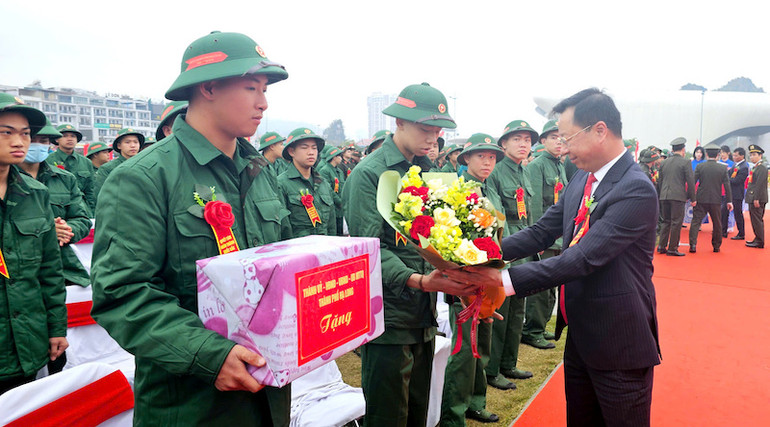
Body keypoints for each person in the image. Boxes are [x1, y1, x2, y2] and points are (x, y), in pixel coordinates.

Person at [90, 31, 293, 424]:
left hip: (268, 394)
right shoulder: (145, 177)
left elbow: (281, 268)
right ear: (209, 87)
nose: (263, 103)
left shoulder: (260, 172)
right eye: (251, 87)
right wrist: (210, 355)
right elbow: (122, 293)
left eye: (265, 89)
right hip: (191, 401)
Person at [448, 88, 661, 426]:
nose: (562, 146)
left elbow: (581, 259)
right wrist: (476, 253)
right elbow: (540, 232)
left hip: (619, 339)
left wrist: (499, 281)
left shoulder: (635, 188)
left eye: (567, 137)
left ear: (600, 130)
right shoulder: (581, 179)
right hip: (581, 334)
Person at [342, 82, 478, 426]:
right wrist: (418, 280)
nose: (433, 137)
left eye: (438, 130)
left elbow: (441, 237)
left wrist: (461, 277)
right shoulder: (369, 174)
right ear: (399, 123)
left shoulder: (429, 173)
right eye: (425, 128)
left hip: (424, 310)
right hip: (389, 313)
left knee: (419, 408)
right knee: (389, 412)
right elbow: (370, 247)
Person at [0, 94, 68, 395]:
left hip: (26, 343)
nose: (20, 141)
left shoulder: (36, 194)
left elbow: (50, 270)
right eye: (6, 132)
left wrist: (56, 328)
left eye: (25, 133)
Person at [440, 133, 504, 426]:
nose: (488, 162)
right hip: (463, 284)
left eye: (492, 157)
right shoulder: (453, 190)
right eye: (481, 156)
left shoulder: (488, 189)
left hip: (487, 280)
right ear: (466, 158)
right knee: (464, 352)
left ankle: (476, 403)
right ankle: (453, 415)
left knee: (483, 348)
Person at [484, 119, 538, 390]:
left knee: (518, 309)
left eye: (527, 140)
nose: (523, 144)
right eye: (517, 139)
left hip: (525, 245)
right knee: (501, 307)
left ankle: (509, 363)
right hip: (507, 246)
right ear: (503, 143)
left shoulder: (524, 171)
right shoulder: (495, 172)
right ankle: (492, 370)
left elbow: (529, 210)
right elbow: (495, 215)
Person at [520, 119, 566, 349]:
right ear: (543, 140)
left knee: (553, 286)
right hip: (546, 237)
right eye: (554, 137)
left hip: (559, 236)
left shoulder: (558, 165)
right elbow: (535, 204)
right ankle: (532, 329)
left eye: (562, 137)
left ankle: (542, 324)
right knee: (541, 286)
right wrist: (537, 239)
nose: (559, 141)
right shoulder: (537, 166)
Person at [277, 128, 335, 237]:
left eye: (314, 148)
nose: (311, 152)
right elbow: (282, 229)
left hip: (324, 249)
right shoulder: (281, 184)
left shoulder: (323, 183)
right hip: (297, 251)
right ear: (291, 152)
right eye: (304, 148)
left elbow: (331, 225)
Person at [688, 143, 732, 253]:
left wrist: (691, 197)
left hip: (701, 198)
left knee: (696, 222)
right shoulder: (723, 168)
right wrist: (729, 201)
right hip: (716, 199)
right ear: (718, 155)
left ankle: (693, 245)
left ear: (706, 154)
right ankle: (716, 246)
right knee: (717, 223)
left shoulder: (700, 166)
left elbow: (692, 183)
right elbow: (727, 186)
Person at [46, 123, 96, 214]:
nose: (70, 139)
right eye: (64, 136)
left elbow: (90, 191)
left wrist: (92, 211)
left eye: (73, 136)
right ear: (57, 139)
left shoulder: (86, 162)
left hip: (81, 208)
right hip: (55, 209)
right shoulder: (47, 161)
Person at [657, 137, 695, 256]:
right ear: (683, 149)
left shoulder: (664, 162)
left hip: (664, 195)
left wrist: (661, 195)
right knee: (676, 222)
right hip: (678, 196)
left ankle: (661, 246)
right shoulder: (685, 162)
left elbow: (660, 181)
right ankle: (672, 248)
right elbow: (690, 181)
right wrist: (692, 197)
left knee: (665, 222)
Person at [93, 127, 144, 197]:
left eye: (136, 142)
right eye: (127, 142)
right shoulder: (107, 169)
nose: (133, 145)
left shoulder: (146, 165)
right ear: (119, 145)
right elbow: (100, 195)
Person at [317, 145, 346, 235]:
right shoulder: (325, 171)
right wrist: (339, 201)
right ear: (334, 157)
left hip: (341, 208)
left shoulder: (339, 171)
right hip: (333, 207)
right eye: (339, 156)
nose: (341, 158)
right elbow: (328, 190)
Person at [745, 144, 767, 248]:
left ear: (760, 155)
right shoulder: (756, 167)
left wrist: (756, 198)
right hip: (753, 197)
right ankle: (757, 238)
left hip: (757, 198)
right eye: (751, 155)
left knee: (757, 220)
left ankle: (760, 241)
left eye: (754, 155)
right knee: (754, 220)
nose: (752, 157)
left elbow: (760, 185)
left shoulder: (761, 168)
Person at [726, 147, 749, 240]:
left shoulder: (744, 167)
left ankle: (741, 233)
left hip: (737, 193)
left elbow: (737, 180)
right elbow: (729, 174)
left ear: (742, 156)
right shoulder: (736, 165)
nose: (734, 157)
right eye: (734, 155)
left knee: (738, 213)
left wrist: (727, 180)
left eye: (736, 155)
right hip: (732, 192)